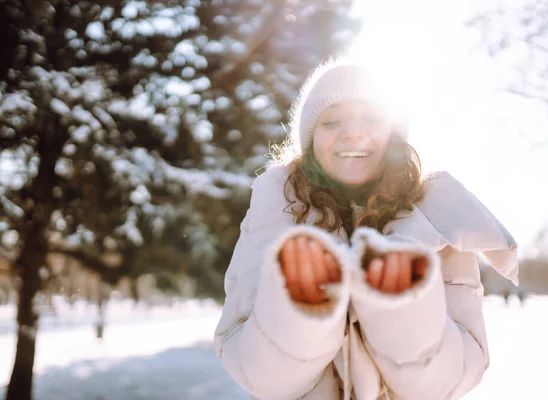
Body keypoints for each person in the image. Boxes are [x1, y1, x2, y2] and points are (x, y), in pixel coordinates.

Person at [214, 59, 519, 400]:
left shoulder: (437, 221)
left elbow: (452, 379)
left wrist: (402, 305)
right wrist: (302, 307)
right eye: (332, 121)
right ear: (311, 139)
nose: (354, 133)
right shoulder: (276, 213)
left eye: (372, 119)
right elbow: (255, 371)